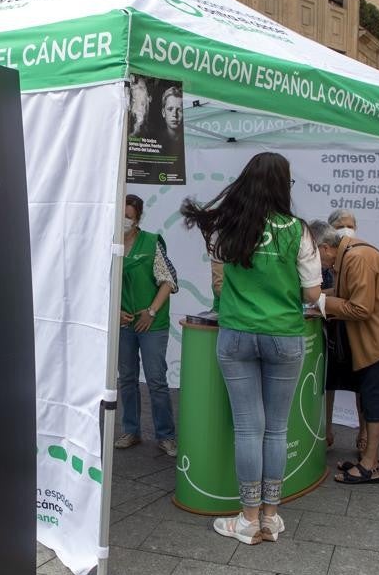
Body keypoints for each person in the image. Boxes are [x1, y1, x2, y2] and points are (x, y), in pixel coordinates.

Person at [181, 152, 323, 546]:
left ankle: (247, 518)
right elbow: (312, 293)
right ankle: (271, 517)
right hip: (284, 334)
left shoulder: (228, 225)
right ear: (283, 185)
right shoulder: (300, 231)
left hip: (237, 334)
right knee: (276, 427)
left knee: (248, 426)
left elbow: (218, 277)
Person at [309, 221, 379, 484]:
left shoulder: (357, 257)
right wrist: (314, 298)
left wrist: (322, 302)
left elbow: (360, 308)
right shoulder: (350, 255)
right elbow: (345, 294)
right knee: (371, 401)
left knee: (375, 403)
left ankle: (370, 465)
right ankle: (369, 459)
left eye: (313, 256)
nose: (316, 264)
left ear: (325, 248)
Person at [115, 194, 180, 456]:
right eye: (120, 216)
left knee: (156, 379)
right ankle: (131, 430)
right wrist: (114, 312)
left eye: (128, 217)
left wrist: (151, 311)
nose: (124, 221)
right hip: (122, 322)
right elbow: (100, 282)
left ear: (138, 218)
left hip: (151, 322)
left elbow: (170, 281)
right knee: (127, 378)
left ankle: (166, 435)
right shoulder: (109, 243)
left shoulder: (151, 242)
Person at [323, 209, 364, 452]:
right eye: (341, 225)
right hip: (330, 331)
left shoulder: (358, 254)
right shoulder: (324, 260)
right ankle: (326, 429)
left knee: (362, 384)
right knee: (328, 382)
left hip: (355, 331)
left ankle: (364, 433)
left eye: (350, 225)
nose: (346, 229)